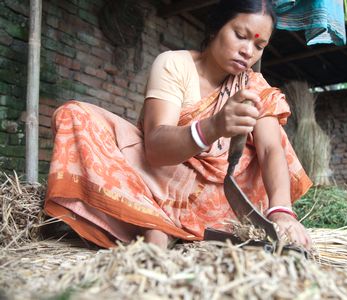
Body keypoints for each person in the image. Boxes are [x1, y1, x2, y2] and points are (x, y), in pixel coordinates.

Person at [44, 0, 313, 250]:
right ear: (216, 26)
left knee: (267, 134)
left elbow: (270, 150)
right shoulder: (174, 64)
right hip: (159, 177)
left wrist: (281, 211)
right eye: (240, 35)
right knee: (74, 115)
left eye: (259, 45)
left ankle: (159, 226)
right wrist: (214, 126)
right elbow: (156, 149)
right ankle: (155, 222)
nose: (247, 51)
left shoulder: (253, 85)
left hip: (220, 198)